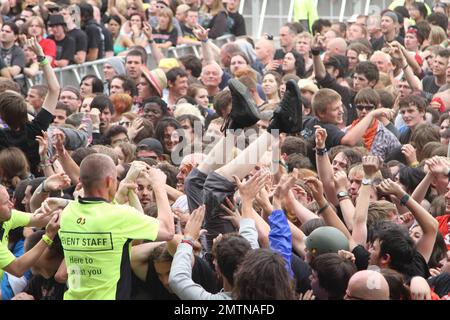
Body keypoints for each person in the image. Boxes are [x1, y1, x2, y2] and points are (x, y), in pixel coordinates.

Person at [56, 157, 175, 299]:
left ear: (80, 181)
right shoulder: (120, 216)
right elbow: (167, 231)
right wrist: (158, 186)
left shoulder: (69, 212)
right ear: (109, 181)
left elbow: (101, 214)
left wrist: (125, 184)